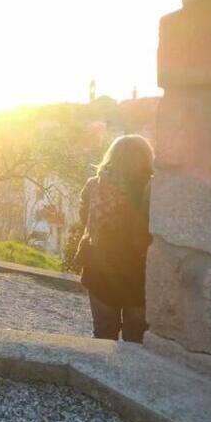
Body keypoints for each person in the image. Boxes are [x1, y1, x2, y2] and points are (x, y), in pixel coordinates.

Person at [75, 135, 154, 343]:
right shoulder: (153, 190)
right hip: (139, 273)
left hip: (99, 268)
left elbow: (85, 220)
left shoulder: (94, 186)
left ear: (112, 156)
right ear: (147, 158)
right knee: (136, 339)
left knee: (103, 333)